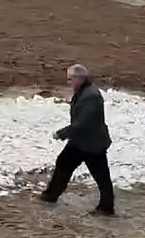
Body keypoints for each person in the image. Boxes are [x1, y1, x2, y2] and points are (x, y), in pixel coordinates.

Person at [39, 64, 115, 216]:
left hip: (92, 144)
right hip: (80, 141)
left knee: (101, 176)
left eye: (70, 79)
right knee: (63, 163)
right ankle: (50, 195)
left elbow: (83, 122)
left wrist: (62, 133)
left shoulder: (91, 96)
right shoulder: (83, 91)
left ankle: (106, 208)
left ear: (79, 78)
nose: (68, 82)